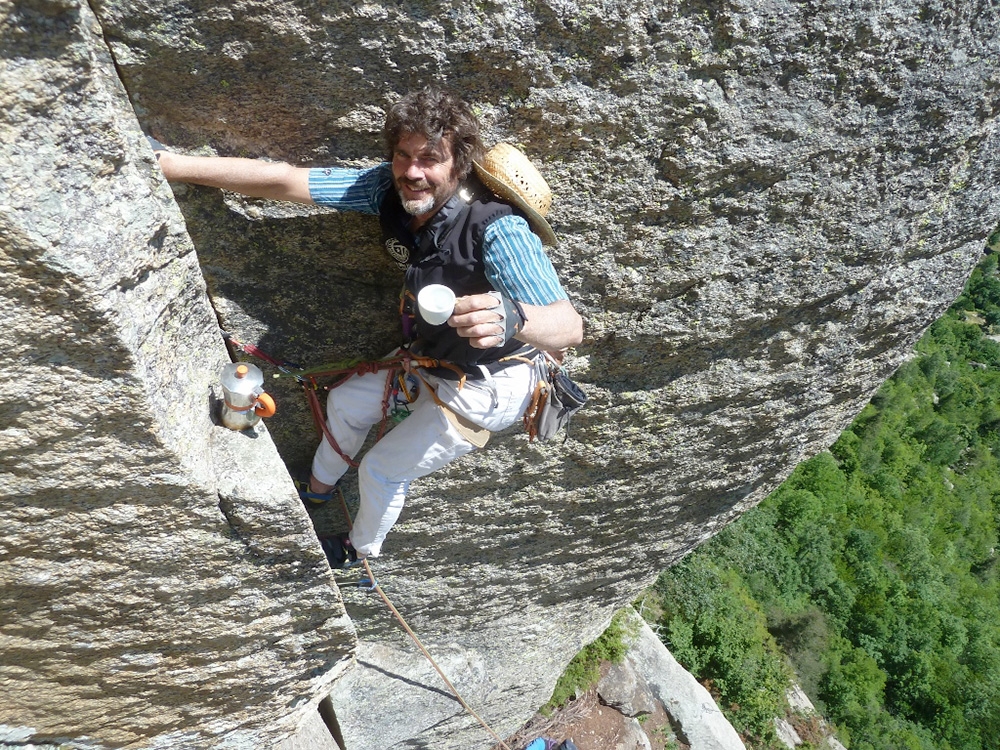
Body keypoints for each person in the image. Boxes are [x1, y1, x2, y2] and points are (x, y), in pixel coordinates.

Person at [153, 86, 583, 562]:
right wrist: (171, 165)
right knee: (347, 400)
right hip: (436, 357)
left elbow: (569, 326)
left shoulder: (498, 228)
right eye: (403, 155)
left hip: (495, 380)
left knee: (380, 469)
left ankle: (358, 552)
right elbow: (287, 182)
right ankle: (316, 490)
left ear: (459, 165)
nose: (412, 172)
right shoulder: (390, 190)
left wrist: (514, 315)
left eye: (430, 158)